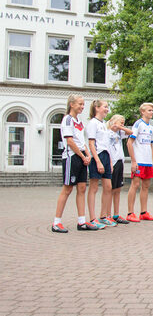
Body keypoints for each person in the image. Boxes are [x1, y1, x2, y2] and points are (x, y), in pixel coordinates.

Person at [52, 94, 99, 232]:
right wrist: (82, 156)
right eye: (80, 104)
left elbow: (81, 141)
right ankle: (56, 222)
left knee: (82, 188)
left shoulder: (79, 121)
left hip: (82, 157)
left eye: (83, 104)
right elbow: (70, 141)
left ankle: (82, 222)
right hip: (72, 157)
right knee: (67, 189)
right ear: (71, 104)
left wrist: (88, 155)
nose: (82, 106)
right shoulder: (67, 120)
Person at [126, 102, 153, 222]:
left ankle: (143, 212)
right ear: (143, 112)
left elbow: (151, 145)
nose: (151, 112)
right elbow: (129, 142)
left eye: (152, 110)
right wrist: (134, 161)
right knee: (135, 184)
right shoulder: (138, 124)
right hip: (139, 161)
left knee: (146, 186)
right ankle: (130, 212)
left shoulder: (151, 128)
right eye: (149, 110)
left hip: (147, 161)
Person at [87, 100, 115, 228]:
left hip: (106, 155)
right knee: (94, 187)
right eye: (105, 107)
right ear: (97, 108)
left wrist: (109, 161)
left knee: (108, 187)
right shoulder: (93, 123)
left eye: (107, 107)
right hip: (97, 156)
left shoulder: (104, 124)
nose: (107, 109)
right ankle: (92, 218)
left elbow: (107, 144)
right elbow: (91, 143)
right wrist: (98, 161)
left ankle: (103, 216)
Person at [107, 114, 133, 224]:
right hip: (112, 162)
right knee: (110, 190)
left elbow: (131, 132)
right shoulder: (107, 133)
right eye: (120, 122)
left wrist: (120, 127)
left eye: (123, 123)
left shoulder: (119, 132)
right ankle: (107, 215)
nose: (122, 124)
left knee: (117, 189)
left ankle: (116, 214)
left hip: (119, 161)